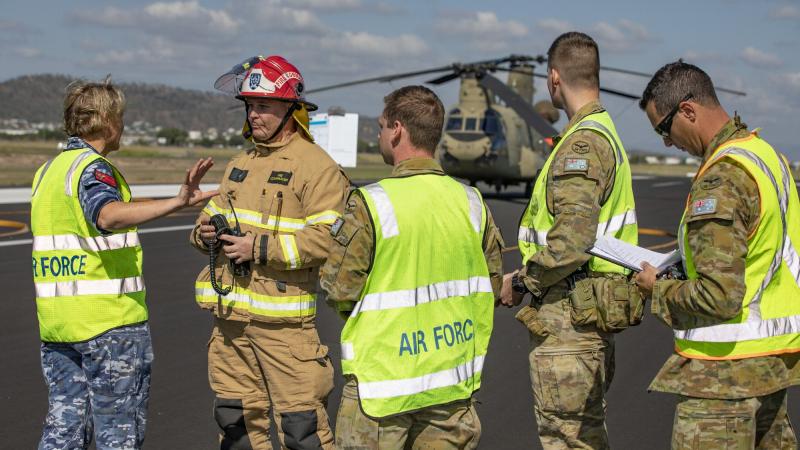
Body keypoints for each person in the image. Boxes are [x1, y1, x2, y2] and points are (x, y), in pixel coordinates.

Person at [31, 77, 216, 450]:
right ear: (108, 121)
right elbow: (107, 215)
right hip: (108, 326)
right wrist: (178, 202)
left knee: (63, 430)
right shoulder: (93, 169)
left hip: (59, 326)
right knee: (118, 433)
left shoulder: (48, 172)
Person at [319, 85, 504, 449]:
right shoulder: (471, 203)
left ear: (398, 130)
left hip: (383, 392)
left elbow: (339, 290)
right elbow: (492, 285)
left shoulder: (371, 202)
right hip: (450, 390)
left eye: (382, 126)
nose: (379, 134)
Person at [634, 60, 800, 448]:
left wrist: (654, 287)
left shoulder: (723, 176)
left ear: (688, 110)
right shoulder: (765, 155)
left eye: (664, 128)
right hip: (772, 366)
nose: (667, 142)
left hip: (722, 380)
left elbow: (718, 294)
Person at [189, 55, 350, 450]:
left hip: (285, 333)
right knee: (236, 426)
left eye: (263, 106)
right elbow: (206, 222)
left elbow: (329, 240)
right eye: (250, 106)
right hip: (229, 327)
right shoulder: (241, 163)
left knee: (303, 432)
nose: (254, 115)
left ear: (291, 111)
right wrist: (206, 233)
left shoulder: (319, 169)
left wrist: (257, 247)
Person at [500, 32, 639, 449]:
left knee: (566, 437)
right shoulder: (603, 131)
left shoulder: (582, 142)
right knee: (585, 433)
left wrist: (523, 280)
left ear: (554, 78)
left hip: (569, 320)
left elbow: (572, 237)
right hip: (589, 315)